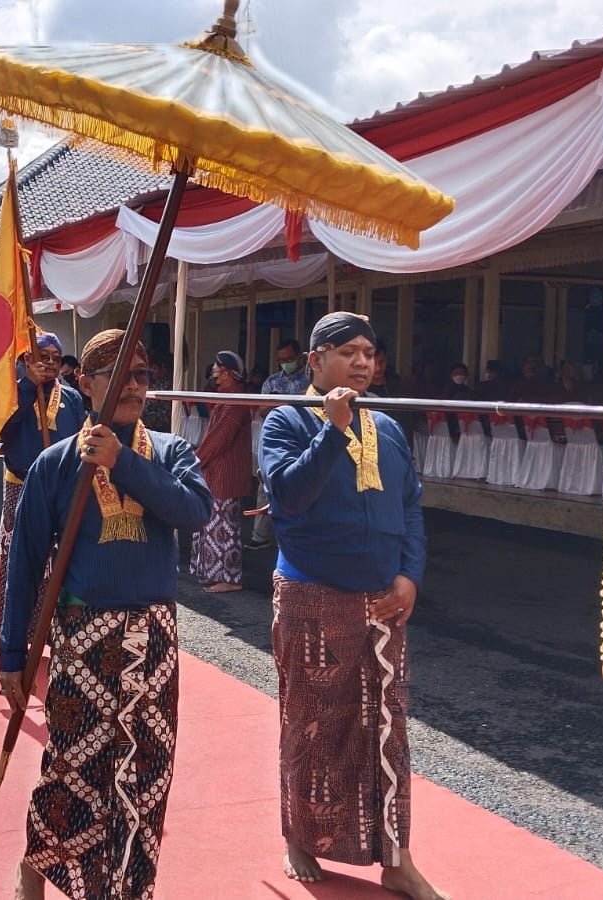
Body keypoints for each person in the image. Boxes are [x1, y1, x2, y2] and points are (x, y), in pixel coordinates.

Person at [0, 328, 214, 900]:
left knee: (146, 773)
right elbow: (23, 567)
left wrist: (123, 463)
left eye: (143, 375)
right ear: (87, 385)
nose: (136, 386)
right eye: (122, 375)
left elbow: (195, 511)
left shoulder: (170, 451)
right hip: (80, 637)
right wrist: (11, 657)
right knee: (72, 768)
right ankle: (38, 864)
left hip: (155, 639)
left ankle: (126, 888)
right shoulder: (54, 463)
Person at [260, 312, 445, 899]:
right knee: (311, 724)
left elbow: (411, 505)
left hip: (382, 599)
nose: (362, 362)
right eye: (346, 352)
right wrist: (332, 430)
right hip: (312, 595)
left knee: (388, 729)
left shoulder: (387, 427)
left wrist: (410, 574)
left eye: (369, 352)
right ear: (315, 362)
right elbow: (289, 495)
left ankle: (397, 858)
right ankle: (299, 834)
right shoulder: (285, 420)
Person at [0, 333, 86, 636]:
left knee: (59, 561)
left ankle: (51, 632)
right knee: (20, 560)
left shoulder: (71, 396)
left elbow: (78, 443)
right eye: (41, 356)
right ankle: (16, 633)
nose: (48, 363)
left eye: (55, 358)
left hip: (60, 492)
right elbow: (4, 432)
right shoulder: (13, 392)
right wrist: (27, 388)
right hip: (21, 485)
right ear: (27, 359)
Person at [192, 350, 253, 593]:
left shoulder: (234, 401)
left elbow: (219, 439)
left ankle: (230, 578)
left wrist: (196, 459)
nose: (214, 374)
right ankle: (214, 573)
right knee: (214, 525)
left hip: (225, 475)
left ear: (227, 373)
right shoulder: (229, 398)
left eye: (218, 370)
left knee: (224, 528)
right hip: (216, 472)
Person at [248, 339, 310, 550]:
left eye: (289, 359)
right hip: (276, 439)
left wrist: (282, 402)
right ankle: (260, 535)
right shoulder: (272, 382)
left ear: (300, 357)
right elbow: (262, 410)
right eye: (281, 360)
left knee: (302, 485)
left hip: (303, 438)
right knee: (266, 485)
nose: (286, 363)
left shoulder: (310, 381)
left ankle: (297, 536)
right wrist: (291, 402)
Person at [142, 352, 173, 433]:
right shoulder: (149, 384)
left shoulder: (166, 386)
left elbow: (166, 416)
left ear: (163, 368)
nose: (151, 372)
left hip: (159, 429)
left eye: (154, 368)